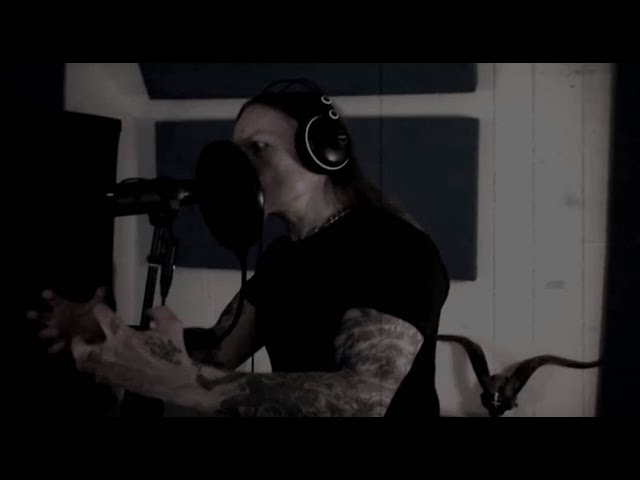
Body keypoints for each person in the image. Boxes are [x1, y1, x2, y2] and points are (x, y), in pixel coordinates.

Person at [28, 79, 451, 417]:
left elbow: (364, 399)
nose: (240, 167)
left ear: (323, 153)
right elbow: (217, 350)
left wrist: (188, 386)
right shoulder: (283, 256)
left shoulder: (397, 249)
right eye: (238, 151)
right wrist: (114, 334)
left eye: (259, 148)